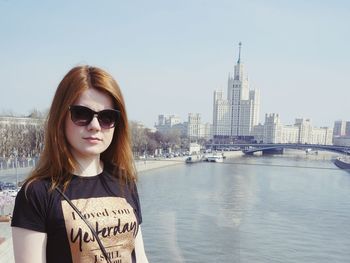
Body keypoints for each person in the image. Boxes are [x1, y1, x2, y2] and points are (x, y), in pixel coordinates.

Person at [11, 65, 149, 263]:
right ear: (61, 118)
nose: (95, 126)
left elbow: (140, 256)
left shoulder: (124, 181)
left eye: (106, 117)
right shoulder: (37, 194)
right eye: (82, 114)